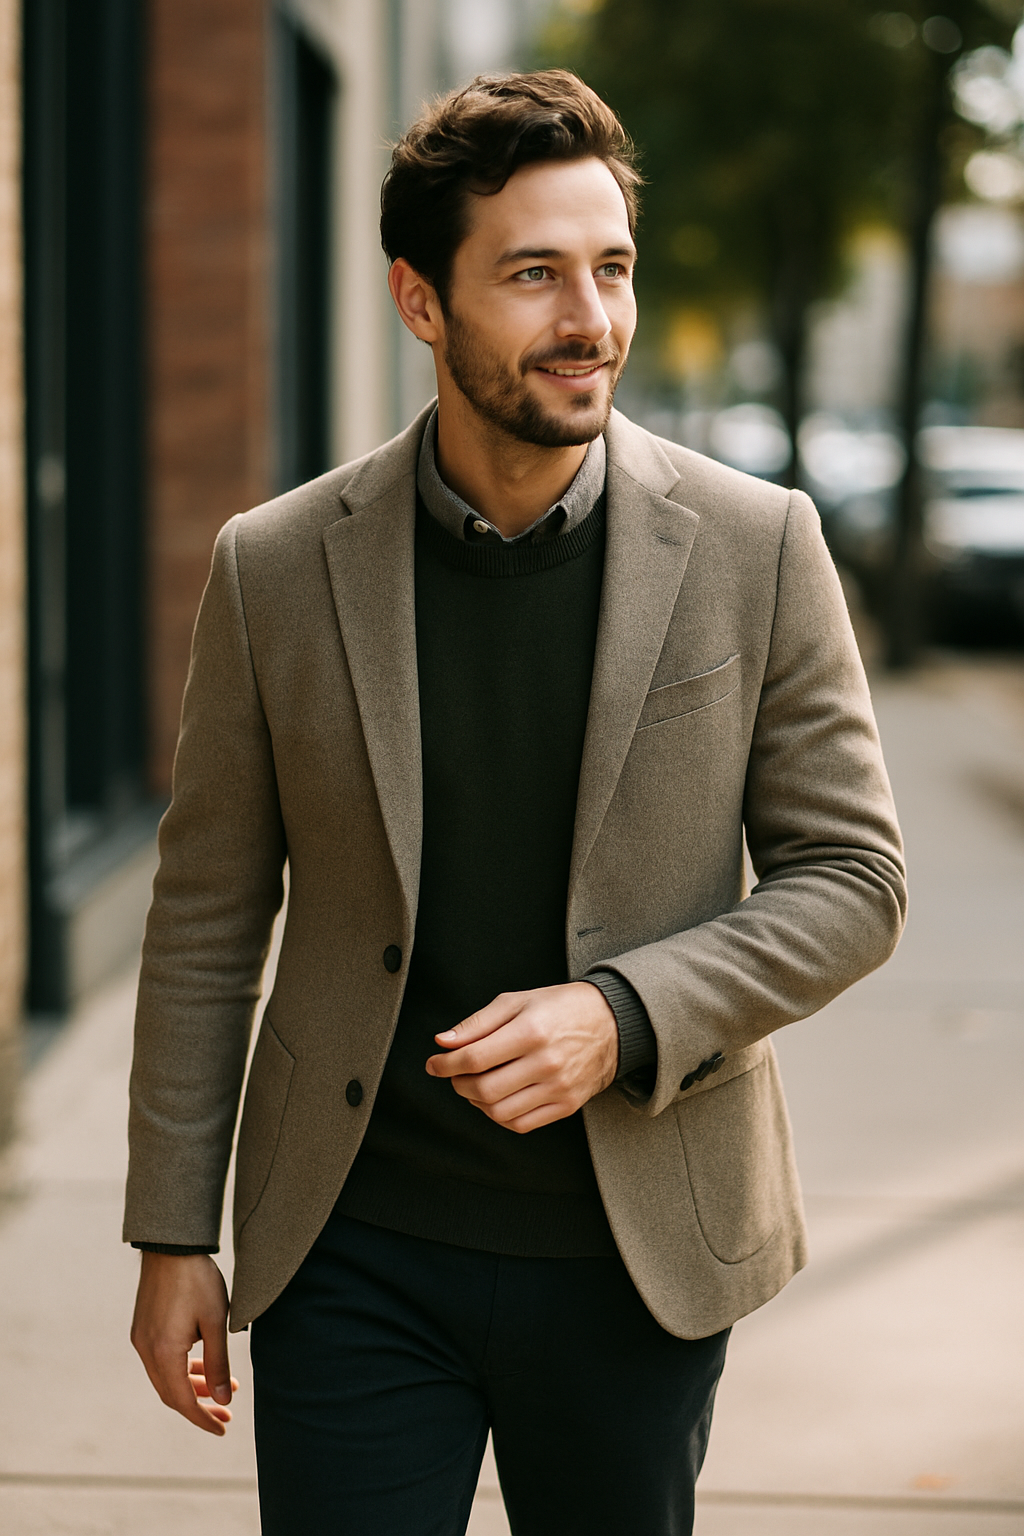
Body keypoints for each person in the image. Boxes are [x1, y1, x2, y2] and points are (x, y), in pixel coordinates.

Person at [125, 69, 906, 1536]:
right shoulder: (273, 568)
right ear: (421, 302)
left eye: (612, 268)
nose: (590, 318)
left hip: (636, 1252)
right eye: (535, 274)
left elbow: (855, 880)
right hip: (352, 1245)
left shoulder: (757, 545)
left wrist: (622, 1014)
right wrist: (172, 1229)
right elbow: (208, 913)